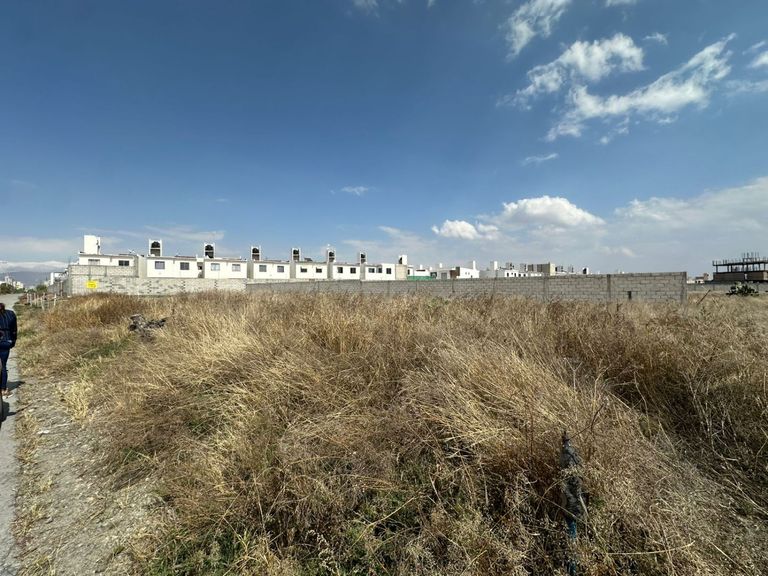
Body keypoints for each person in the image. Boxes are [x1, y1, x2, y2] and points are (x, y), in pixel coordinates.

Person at [0, 302, 17, 398]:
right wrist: (13, 341)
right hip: (6, 341)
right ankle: (3, 390)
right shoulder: (10, 314)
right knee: (3, 366)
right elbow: (14, 330)